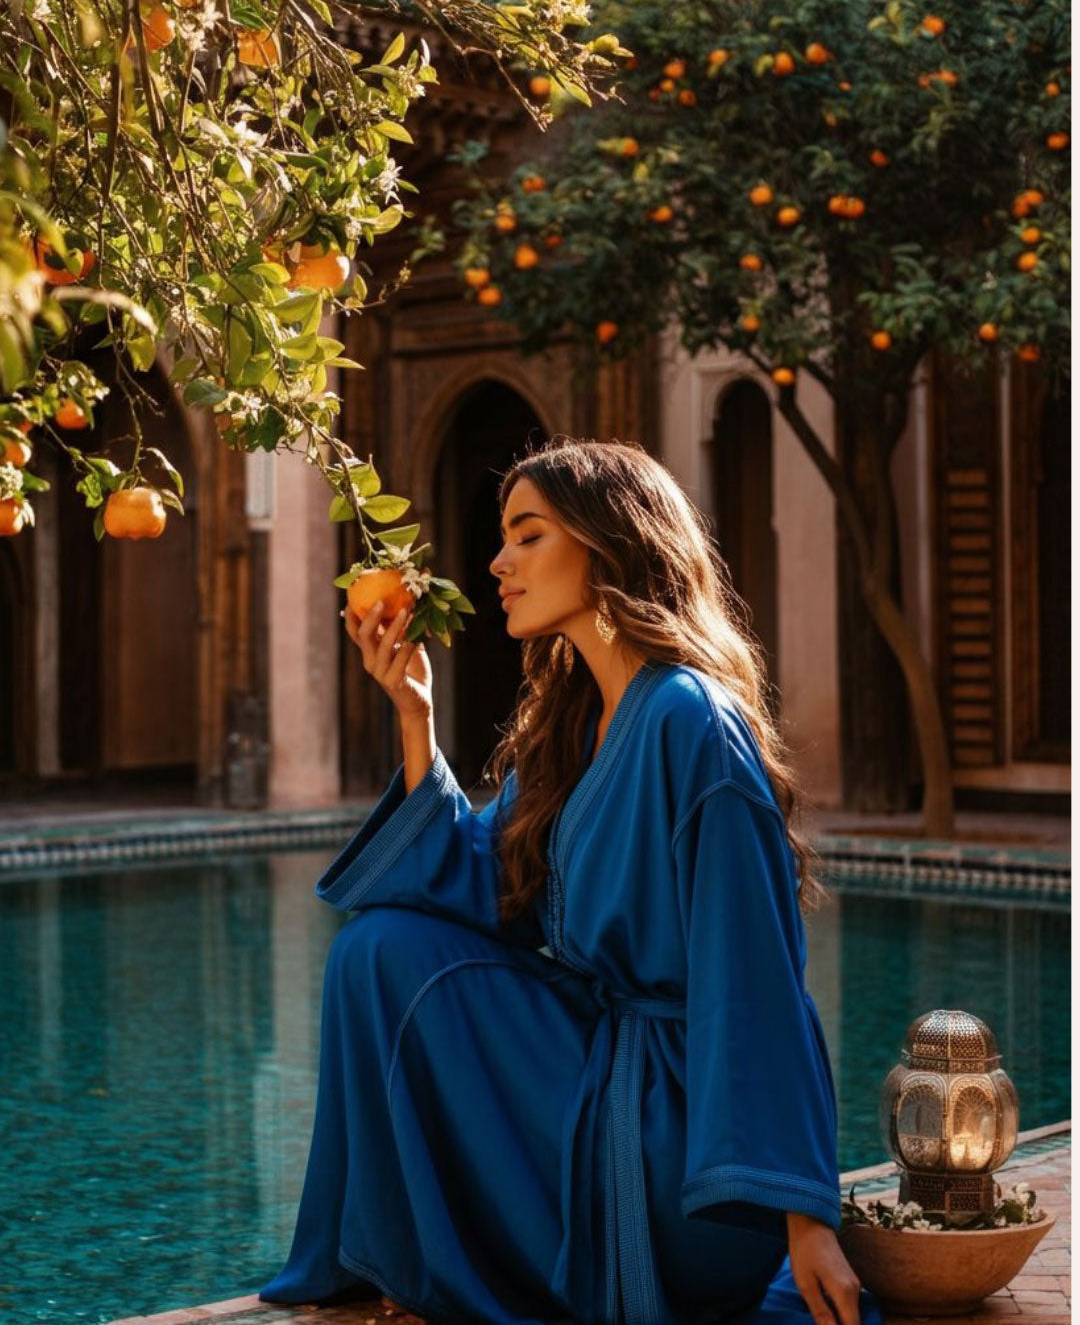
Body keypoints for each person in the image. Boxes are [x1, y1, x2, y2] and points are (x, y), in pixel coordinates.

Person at [259, 436, 883, 1325]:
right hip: (591, 1069)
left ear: (608, 543)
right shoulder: (573, 722)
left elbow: (757, 983)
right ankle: (402, 1250)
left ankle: (468, 1251)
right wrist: (415, 721)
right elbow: (489, 893)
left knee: (382, 950)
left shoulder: (691, 723)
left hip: (687, 1166)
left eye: (528, 535)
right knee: (376, 951)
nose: (497, 560)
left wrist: (806, 1217)